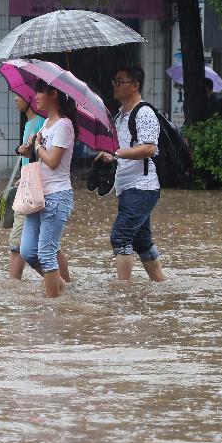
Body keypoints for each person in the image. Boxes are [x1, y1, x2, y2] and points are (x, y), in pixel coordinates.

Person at [95, 65, 166, 282]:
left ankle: (123, 293)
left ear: (135, 85)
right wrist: (110, 155)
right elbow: (121, 150)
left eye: (120, 81)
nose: (115, 85)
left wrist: (116, 153)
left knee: (120, 237)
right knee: (141, 241)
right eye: (114, 81)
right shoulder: (119, 117)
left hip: (143, 187)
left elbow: (149, 148)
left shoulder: (144, 112)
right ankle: (162, 285)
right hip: (127, 187)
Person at [19, 82, 77, 298]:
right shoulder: (46, 125)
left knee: (46, 253)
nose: (35, 96)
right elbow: (37, 156)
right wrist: (27, 149)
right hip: (38, 195)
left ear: (54, 94)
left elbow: (53, 161)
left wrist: (37, 147)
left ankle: (52, 305)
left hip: (57, 196)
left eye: (39, 92)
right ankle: (60, 287)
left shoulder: (64, 125)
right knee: (27, 252)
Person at [8, 94, 45, 279]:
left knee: (17, 244)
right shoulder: (29, 124)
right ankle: (66, 283)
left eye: (19, 96)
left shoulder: (40, 123)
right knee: (47, 244)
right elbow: (29, 161)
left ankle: (12, 288)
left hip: (32, 190)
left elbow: (42, 158)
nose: (15, 99)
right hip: (27, 186)